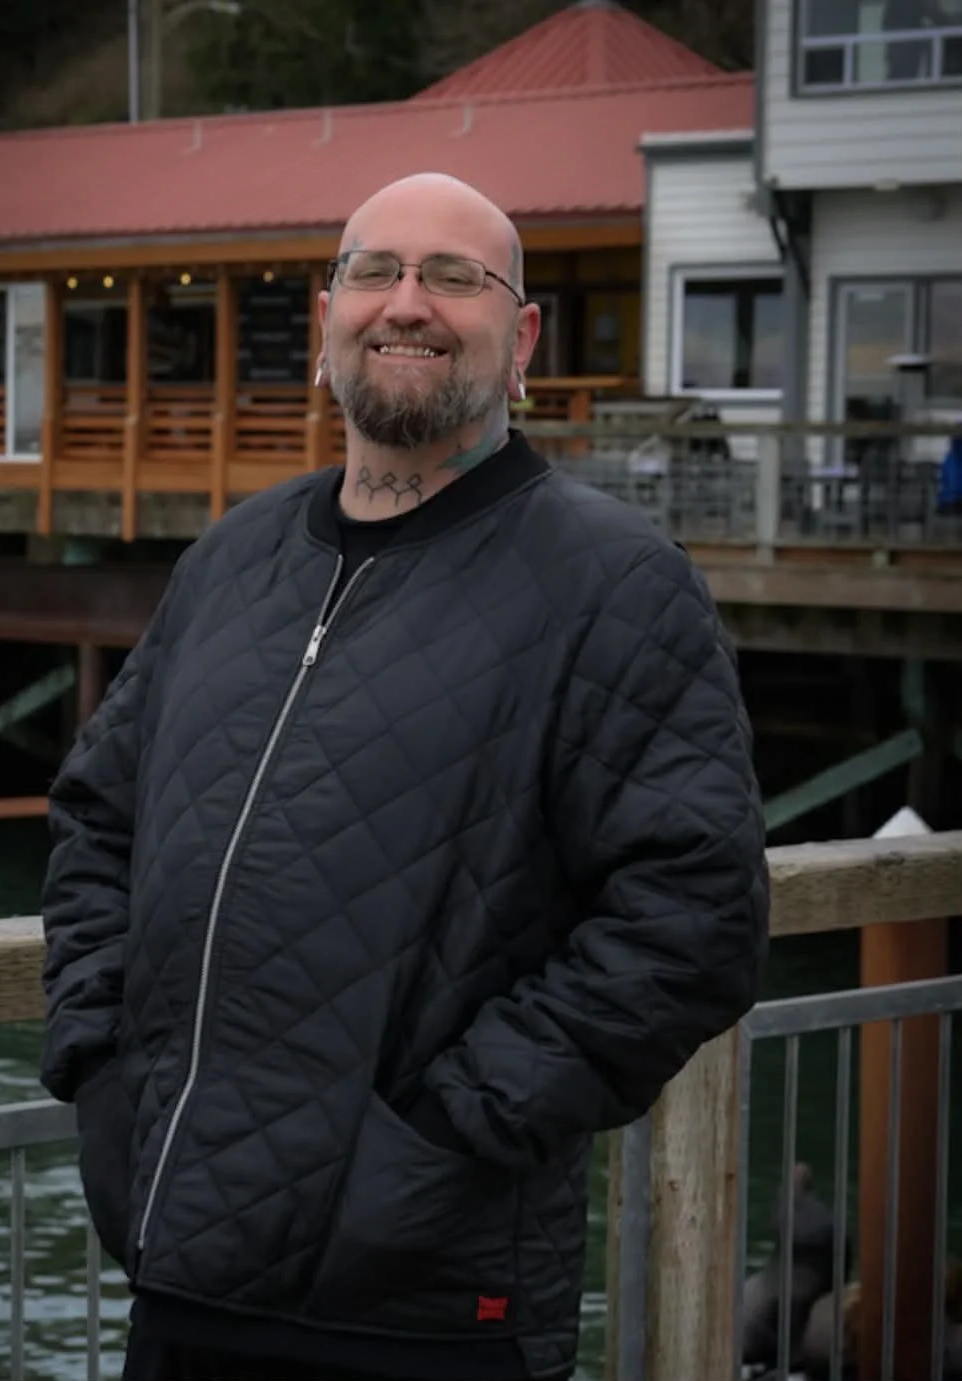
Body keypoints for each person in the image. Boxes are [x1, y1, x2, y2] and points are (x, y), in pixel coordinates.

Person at [39, 171, 770, 1381]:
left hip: (428, 1309)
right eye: (375, 271)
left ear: (521, 332)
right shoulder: (233, 559)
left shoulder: (616, 583)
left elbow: (697, 918)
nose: (407, 303)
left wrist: (439, 1137)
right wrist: (104, 1068)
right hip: (182, 1281)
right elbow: (95, 822)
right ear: (330, 314)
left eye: (455, 277)